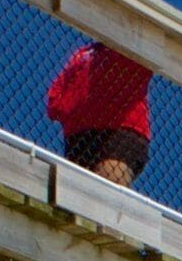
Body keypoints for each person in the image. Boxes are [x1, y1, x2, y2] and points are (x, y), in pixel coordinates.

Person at [45, 41, 155, 184]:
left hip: (118, 130)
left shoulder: (129, 42)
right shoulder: (83, 54)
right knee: (79, 195)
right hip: (79, 136)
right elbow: (56, 100)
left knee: (108, 187)